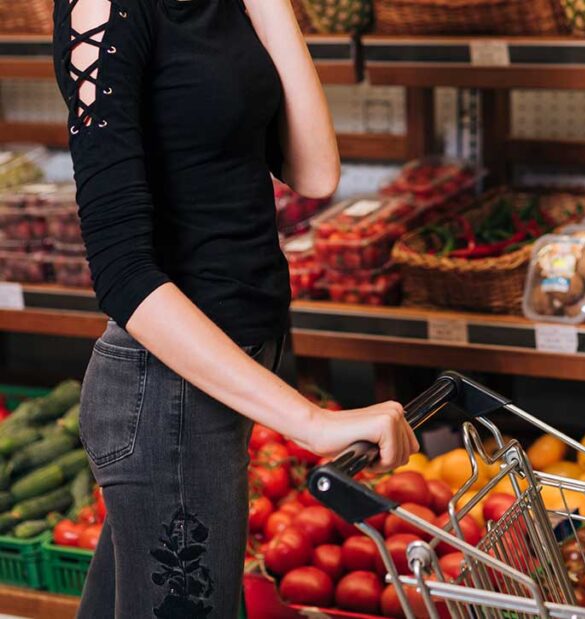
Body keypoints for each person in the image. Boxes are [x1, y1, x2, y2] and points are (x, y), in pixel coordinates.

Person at [52, 0, 418, 616]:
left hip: (220, 385)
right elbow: (123, 275)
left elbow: (316, 170)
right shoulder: (105, 9)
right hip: (166, 399)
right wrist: (309, 421)